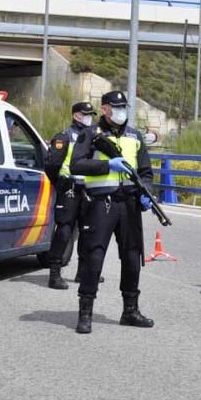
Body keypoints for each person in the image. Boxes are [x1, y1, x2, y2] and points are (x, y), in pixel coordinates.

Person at [69, 90, 155, 334]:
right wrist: (108, 164)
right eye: (115, 107)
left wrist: (146, 192)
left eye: (123, 107)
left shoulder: (134, 136)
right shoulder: (90, 134)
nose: (121, 111)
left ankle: (130, 311)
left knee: (132, 258)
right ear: (104, 109)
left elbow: (147, 172)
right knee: (94, 257)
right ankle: (85, 313)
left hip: (129, 204)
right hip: (101, 204)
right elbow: (77, 164)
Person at [44, 101, 96, 290]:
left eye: (91, 114)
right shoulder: (65, 136)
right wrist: (59, 183)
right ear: (76, 115)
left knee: (88, 230)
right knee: (64, 230)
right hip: (69, 188)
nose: (89, 117)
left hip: (87, 189)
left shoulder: (93, 136)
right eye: (86, 114)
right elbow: (51, 164)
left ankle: (83, 272)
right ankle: (54, 273)